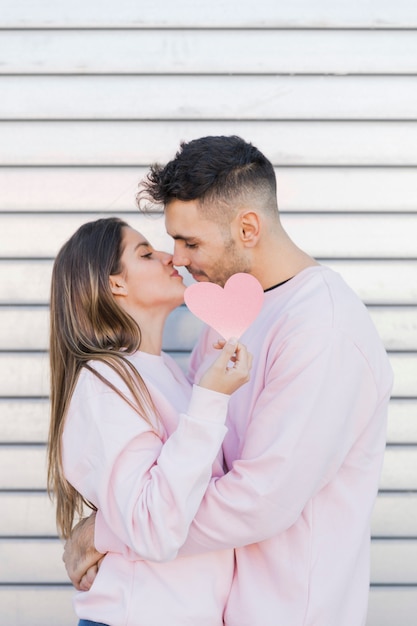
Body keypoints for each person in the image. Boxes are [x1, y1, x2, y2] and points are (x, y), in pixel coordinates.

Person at [64, 136, 394, 626]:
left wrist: (107, 532)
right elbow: (194, 460)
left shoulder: (323, 327)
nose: (177, 258)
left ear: (247, 228)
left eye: (190, 243)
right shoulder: (230, 318)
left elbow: (258, 500)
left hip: (287, 612)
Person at [47, 216, 252, 626]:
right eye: (144, 253)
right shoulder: (106, 382)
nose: (168, 257)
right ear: (114, 284)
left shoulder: (167, 373)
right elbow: (152, 527)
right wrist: (210, 399)